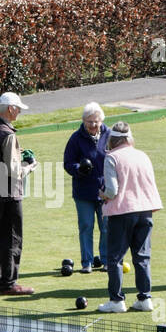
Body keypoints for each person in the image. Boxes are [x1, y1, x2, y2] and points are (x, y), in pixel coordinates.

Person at [98, 122, 162, 313]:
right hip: (146, 210)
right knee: (142, 256)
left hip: (122, 212)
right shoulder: (142, 155)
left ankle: (116, 301)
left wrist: (103, 195)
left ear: (113, 139)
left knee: (115, 258)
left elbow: (111, 190)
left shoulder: (112, 158)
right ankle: (145, 298)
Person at [0, 92, 37, 295]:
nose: (20, 111)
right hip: (8, 194)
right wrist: (29, 167)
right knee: (12, 237)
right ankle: (9, 283)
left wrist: (17, 154)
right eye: (18, 108)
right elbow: (14, 172)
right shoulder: (8, 134)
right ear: (10, 109)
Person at [62, 102, 110, 273]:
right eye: (89, 121)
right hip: (83, 192)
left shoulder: (109, 135)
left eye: (96, 121)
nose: (93, 125)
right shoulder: (76, 138)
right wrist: (79, 169)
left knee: (106, 227)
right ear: (83, 121)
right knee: (86, 226)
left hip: (105, 192)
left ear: (101, 121)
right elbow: (67, 163)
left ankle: (106, 260)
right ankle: (87, 262)